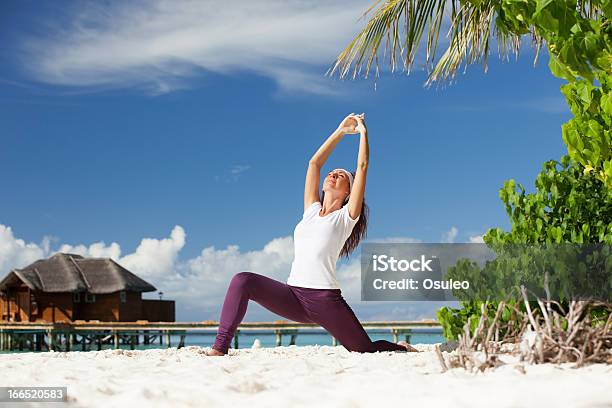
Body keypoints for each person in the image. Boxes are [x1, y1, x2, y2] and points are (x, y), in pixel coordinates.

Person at [207, 113, 418, 356]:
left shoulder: (346, 217)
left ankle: (401, 347)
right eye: (332, 172)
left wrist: (362, 133)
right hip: (292, 295)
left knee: (363, 349)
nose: (333, 174)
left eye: (341, 176)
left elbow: (362, 167)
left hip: (324, 299)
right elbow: (314, 164)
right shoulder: (311, 211)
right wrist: (339, 132)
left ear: (349, 192)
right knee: (242, 280)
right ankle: (219, 349)